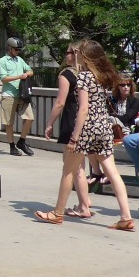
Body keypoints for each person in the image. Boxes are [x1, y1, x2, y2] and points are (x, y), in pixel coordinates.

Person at [36, 39, 135, 231]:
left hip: (87, 129)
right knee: (113, 173)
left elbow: (82, 110)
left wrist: (74, 137)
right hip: (104, 127)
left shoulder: (84, 77)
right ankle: (126, 217)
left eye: (79, 51)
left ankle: (57, 213)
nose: (76, 54)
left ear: (86, 56)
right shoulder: (104, 76)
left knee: (68, 171)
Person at [43, 41, 93, 217]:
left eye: (68, 52)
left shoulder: (66, 74)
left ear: (75, 54)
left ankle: (83, 206)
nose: (66, 55)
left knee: (72, 167)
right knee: (80, 166)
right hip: (88, 123)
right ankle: (84, 202)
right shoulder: (89, 73)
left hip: (72, 121)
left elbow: (60, 102)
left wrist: (49, 123)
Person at [0, 37, 35, 156]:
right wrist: (19, 77)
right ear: (9, 48)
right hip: (9, 95)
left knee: (29, 118)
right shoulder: (2, 61)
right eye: (16, 49)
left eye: (19, 50)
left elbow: (30, 71)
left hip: (22, 94)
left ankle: (22, 142)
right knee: (9, 122)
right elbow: (3, 79)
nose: (18, 52)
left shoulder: (20, 60)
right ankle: (12, 146)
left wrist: (27, 74)